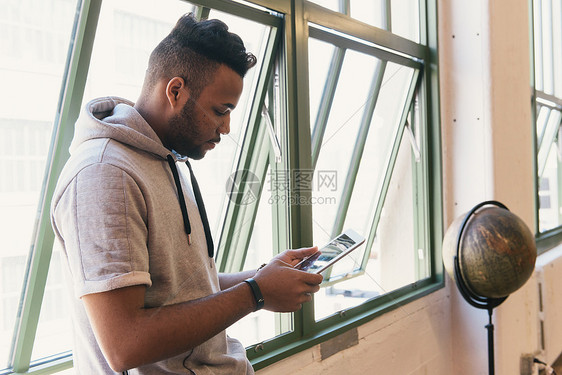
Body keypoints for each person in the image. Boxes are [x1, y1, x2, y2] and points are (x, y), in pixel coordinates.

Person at [50, 13, 323, 375]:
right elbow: (125, 343)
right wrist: (256, 293)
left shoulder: (169, 159)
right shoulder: (105, 175)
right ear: (175, 91)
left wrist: (261, 277)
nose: (226, 128)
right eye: (220, 110)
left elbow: (181, 291)